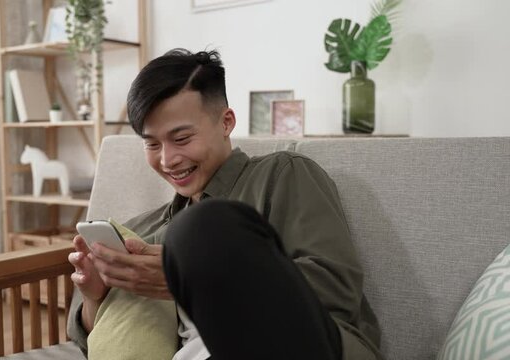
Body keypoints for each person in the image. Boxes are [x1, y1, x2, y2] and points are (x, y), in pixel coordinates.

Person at [68, 48, 383, 359]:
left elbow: (336, 287)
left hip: (304, 345)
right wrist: (96, 297)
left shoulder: (281, 174)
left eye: (181, 139)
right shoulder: (143, 232)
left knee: (202, 228)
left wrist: (193, 281)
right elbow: (93, 343)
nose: (167, 160)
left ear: (226, 122)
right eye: (152, 143)